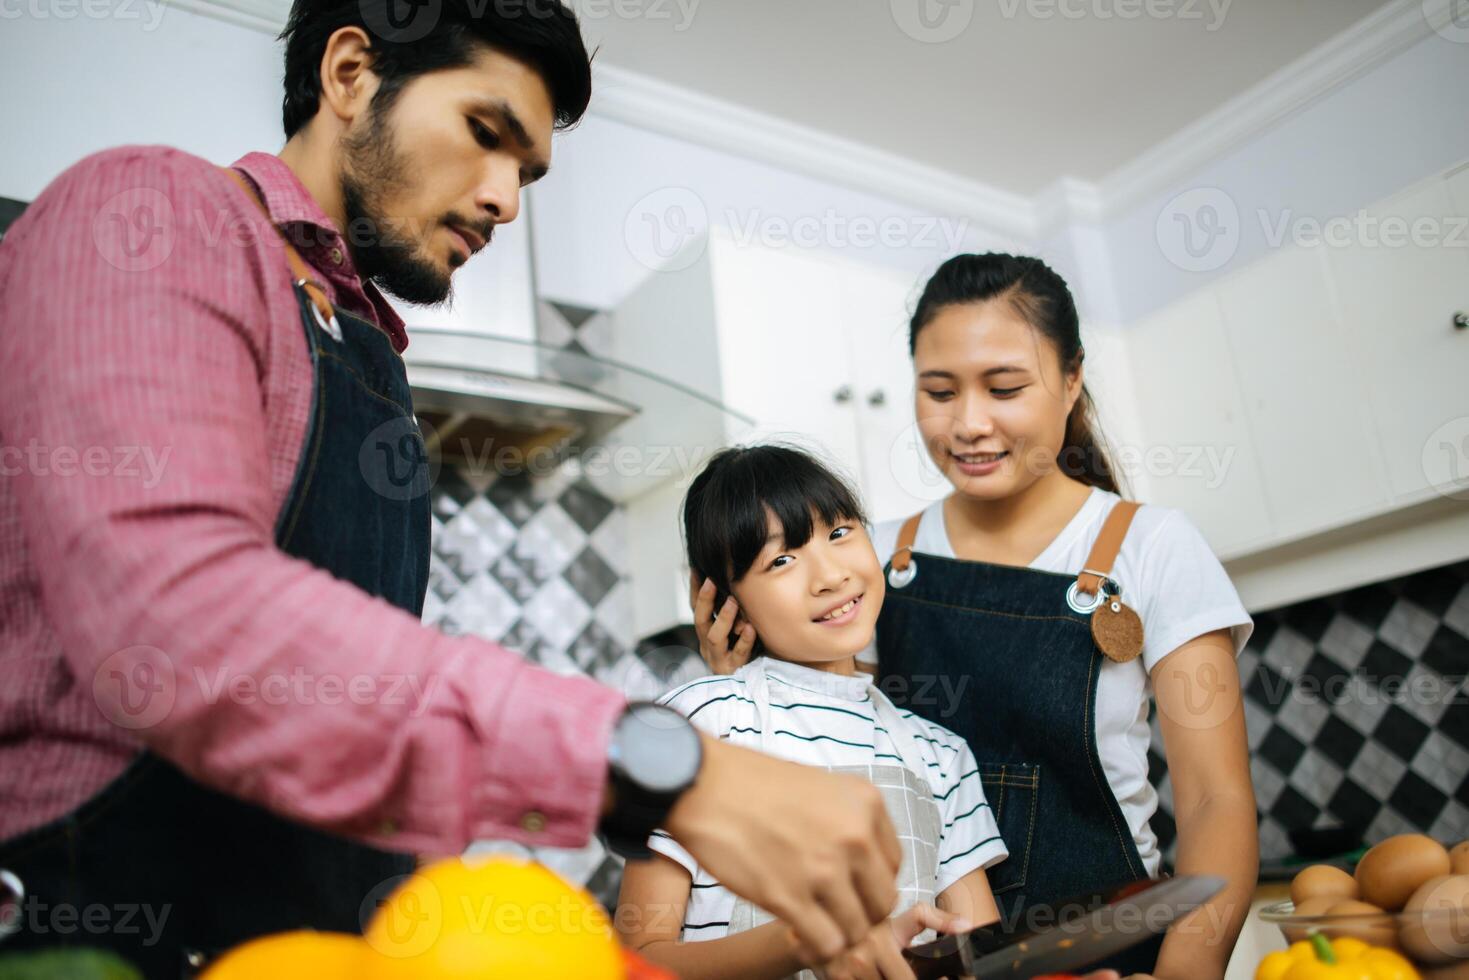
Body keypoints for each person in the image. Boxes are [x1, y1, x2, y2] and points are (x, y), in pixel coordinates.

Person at [0, 2, 901, 972]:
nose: (506, 199)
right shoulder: (155, 211)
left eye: (526, 170)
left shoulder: (377, 365)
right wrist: (661, 768)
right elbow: (176, 616)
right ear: (350, 74)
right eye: (485, 133)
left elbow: (345, 715)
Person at [691, 254, 1259, 979]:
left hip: (1108, 952)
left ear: (1072, 378)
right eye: (937, 391)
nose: (968, 424)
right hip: (932, 961)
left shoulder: (1152, 547)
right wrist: (739, 681)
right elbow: (829, 753)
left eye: (1004, 387)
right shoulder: (870, 562)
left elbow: (1215, 800)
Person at [618, 446, 1004, 980]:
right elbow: (636, 960)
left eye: (840, 533)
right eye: (780, 560)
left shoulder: (941, 755)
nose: (828, 576)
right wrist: (803, 941)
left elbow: (983, 958)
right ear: (722, 598)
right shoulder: (702, 724)